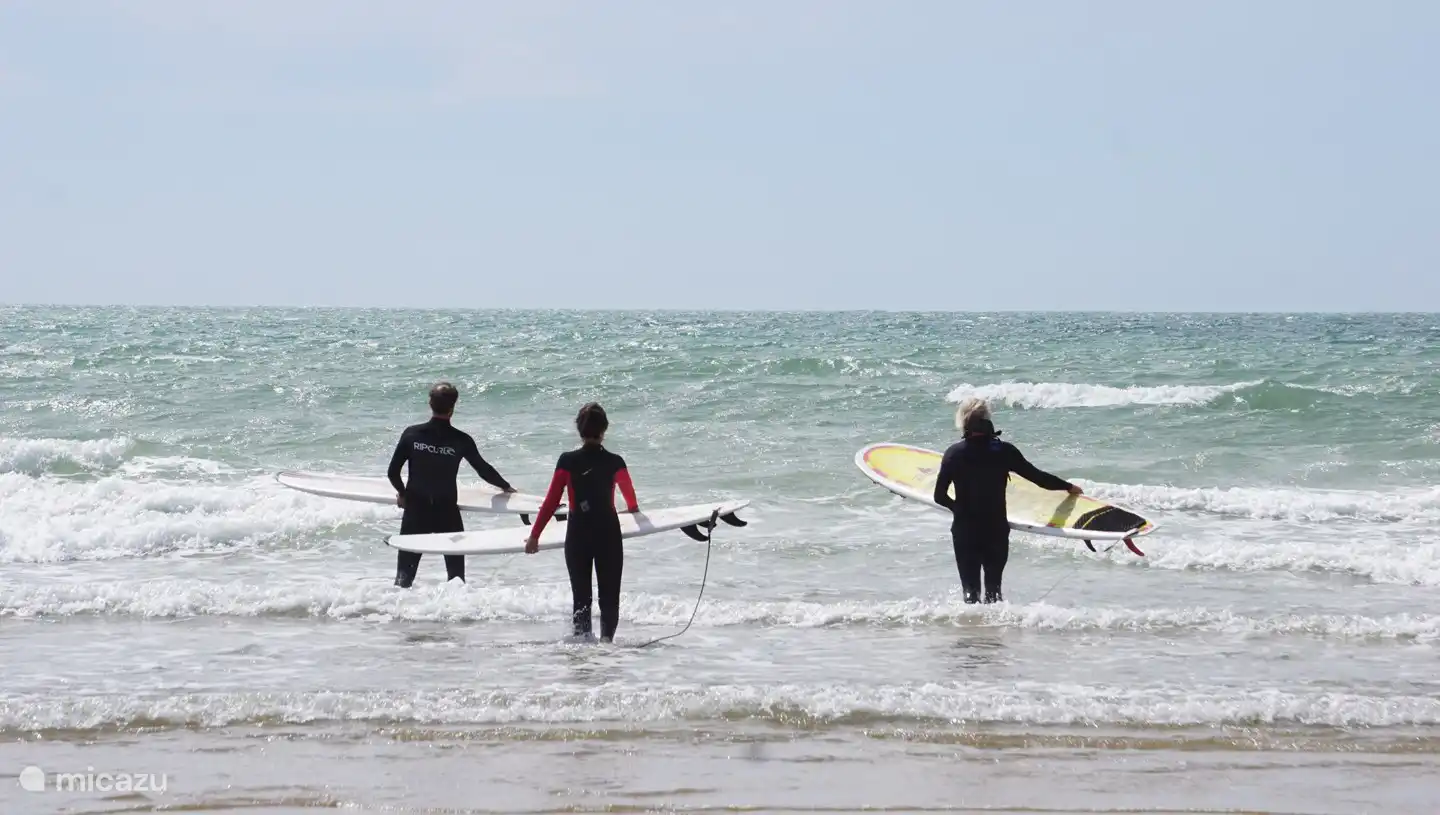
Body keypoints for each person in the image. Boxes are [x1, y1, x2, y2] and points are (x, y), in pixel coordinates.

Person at [933, 398, 1082, 604]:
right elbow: (1038, 478)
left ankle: (970, 623)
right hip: (995, 529)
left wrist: (959, 509)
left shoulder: (954, 454)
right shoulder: (1004, 451)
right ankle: (996, 623)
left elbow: (939, 496)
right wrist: (1068, 487)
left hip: (965, 529)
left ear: (963, 422)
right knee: (994, 591)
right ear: (987, 420)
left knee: (970, 591)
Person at [524, 402, 639, 642]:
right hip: (608, 533)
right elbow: (629, 494)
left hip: (578, 534)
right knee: (609, 596)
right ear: (604, 429)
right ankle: (607, 647)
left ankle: (582, 648)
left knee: (581, 597)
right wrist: (633, 509)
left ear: (579, 429)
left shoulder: (567, 461)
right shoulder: (615, 461)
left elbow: (551, 501)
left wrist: (535, 536)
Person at [386, 381, 517, 588]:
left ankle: (396, 606)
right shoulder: (461, 440)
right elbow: (483, 469)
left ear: (430, 403)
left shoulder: (412, 434)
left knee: (404, 575)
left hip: (416, 510)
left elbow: (392, 472)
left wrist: (402, 493)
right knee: (456, 577)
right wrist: (506, 487)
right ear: (453, 407)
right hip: (446, 512)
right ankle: (457, 606)